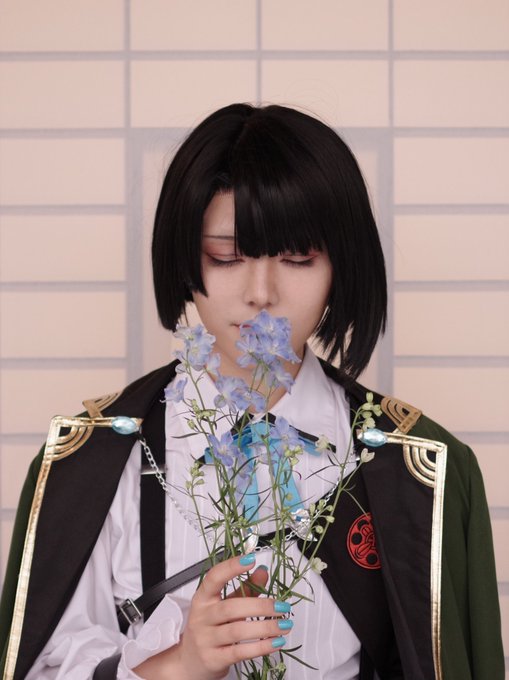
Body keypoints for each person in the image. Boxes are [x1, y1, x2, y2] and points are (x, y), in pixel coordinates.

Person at [0, 103, 504, 680]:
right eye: (227, 256)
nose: (260, 292)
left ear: (342, 267)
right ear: (184, 258)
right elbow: (43, 665)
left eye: (297, 258)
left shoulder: (422, 471)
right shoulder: (94, 461)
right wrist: (178, 665)